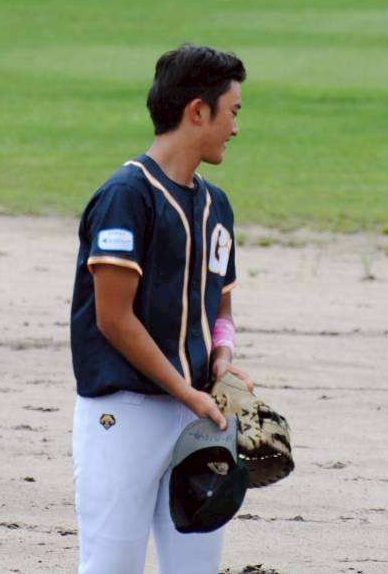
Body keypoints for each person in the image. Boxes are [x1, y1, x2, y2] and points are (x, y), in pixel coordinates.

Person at [70, 43, 251, 573]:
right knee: (112, 565)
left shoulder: (217, 205)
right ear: (198, 111)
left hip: (197, 415)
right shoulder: (126, 196)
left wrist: (222, 356)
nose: (236, 128)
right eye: (232, 112)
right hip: (125, 412)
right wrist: (185, 391)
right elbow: (113, 318)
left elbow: (221, 308)